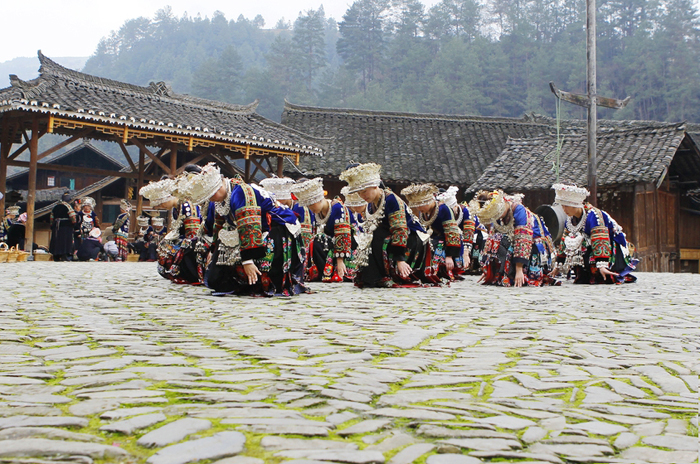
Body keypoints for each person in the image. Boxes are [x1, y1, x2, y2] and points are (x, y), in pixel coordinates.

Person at [176, 163, 307, 296]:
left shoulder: (240, 193)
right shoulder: (220, 199)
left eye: (213, 193)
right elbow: (217, 226)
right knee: (215, 278)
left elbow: (250, 227)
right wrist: (212, 249)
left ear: (220, 184)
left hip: (277, 227)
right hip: (250, 230)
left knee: (263, 278)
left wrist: (247, 261)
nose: (211, 198)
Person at [339, 163, 428, 288]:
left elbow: (400, 229)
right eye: (359, 193)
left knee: (378, 234)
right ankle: (373, 275)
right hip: (391, 238)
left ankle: (383, 274)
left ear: (375, 186)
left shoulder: (391, 200)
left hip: (410, 239)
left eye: (364, 191)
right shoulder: (371, 204)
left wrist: (400, 260)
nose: (363, 196)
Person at [551, 183, 637, 284]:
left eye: (566, 206)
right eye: (562, 206)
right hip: (590, 246)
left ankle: (601, 270)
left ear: (575, 204)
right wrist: (558, 265)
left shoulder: (594, 216)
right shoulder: (570, 220)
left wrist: (602, 265)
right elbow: (564, 241)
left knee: (585, 246)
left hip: (609, 244)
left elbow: (600, 240)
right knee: (576, 242)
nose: (564, 210)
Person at [471, 190, 558, 287]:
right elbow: (490, 239)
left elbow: (522, 240)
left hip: (532, 245)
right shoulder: (497, 217)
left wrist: (519, 270)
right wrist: (489, 270)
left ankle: (521, 271)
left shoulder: (519, 210)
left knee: (504, 239)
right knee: (496, 239)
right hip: (512, 244)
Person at [141, 175, 203, 284]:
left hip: (193, 242)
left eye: (161, 202)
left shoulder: (187, 206)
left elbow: (193, 234)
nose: (161, 206)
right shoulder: (176, 208)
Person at [292, 178, 353, 282]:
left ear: (320, 199)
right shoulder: (317, 212)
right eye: (308, 205)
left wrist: (340, 261)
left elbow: (343, 235)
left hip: (346, 247)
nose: (311, 208)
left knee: (318, 240)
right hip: (328, 246)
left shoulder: (337, 208)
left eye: (312, 204)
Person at [402, 183, 462, 283]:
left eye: (421, 205)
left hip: (444, 243)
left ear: (429, 201)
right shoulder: (423, 212)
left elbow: (452, 233)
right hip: (430, 239)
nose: (419, 208)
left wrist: (449, 256)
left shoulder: (444, 209)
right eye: (417, 206)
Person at [49, 193, 77, 260]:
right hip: (66, 226)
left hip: (56, 226)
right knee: (65, 240)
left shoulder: (55, 206)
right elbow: (73, 217)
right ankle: (64, 254)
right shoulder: (68, 206)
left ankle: (56, 255)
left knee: (57, 240)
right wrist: (73, 224)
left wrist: (52, 225)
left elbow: (51, 217)